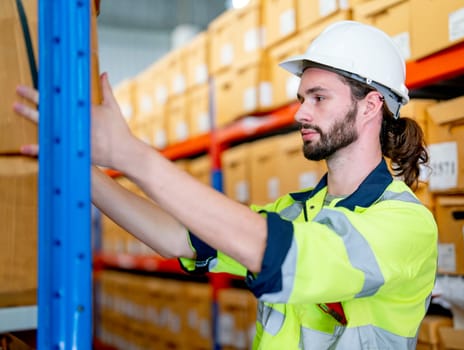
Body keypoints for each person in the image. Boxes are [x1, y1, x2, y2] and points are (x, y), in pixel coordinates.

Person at [14, 21, 437, 350]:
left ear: (371, 106)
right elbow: (176, 238)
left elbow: (280, 253)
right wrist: (76, 166)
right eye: (301, 98)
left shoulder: (404, 224)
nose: (300, 114)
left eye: (319, 98)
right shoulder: (293, 211)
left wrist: (132, 155)